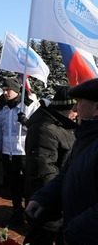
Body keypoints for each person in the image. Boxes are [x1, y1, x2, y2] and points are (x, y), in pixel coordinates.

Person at [25, 79, 98, 244]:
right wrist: (44, 198)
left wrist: (76, 231)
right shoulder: (85, 137)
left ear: (97, 108)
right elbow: (66, 174)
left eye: (79, 102)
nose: (75, 108)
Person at [23, 86, 77, 245]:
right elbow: (45, 171)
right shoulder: (45, 128)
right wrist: (57, 199)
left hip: (57, 203)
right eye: (75, 108)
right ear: (67, 108)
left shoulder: (62, 126)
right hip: (47, 205)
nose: (77, 114)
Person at [0, 77, 40, 226]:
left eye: (9, 90)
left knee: (27, 187)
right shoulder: (3, 108)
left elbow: (38, 129)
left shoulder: (29, 105)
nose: (6, 92)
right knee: (13, 186)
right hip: (9, 153)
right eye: (4, 90)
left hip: (24, 153)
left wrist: (26, 123)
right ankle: (16, 214)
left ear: (16, 90)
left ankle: (29, 214)